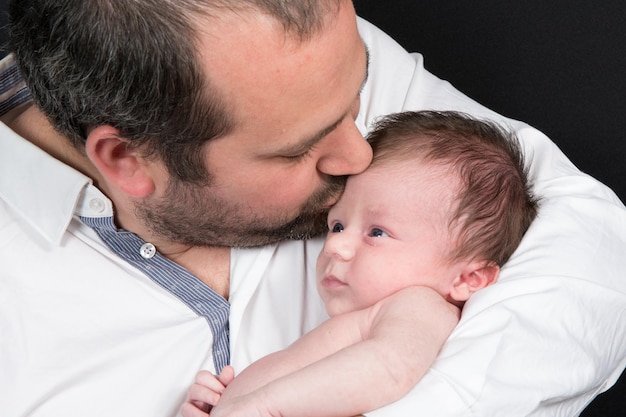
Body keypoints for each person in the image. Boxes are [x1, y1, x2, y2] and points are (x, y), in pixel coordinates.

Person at [0, 1, 625, 416]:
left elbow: (595, 254)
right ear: (127, 160)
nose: (359, 154)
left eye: (356, 101)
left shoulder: (301, 63)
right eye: (298, 151)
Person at [180, 110, 539, 417]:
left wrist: (264, 406)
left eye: (377, 232)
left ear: (468, 278)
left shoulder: (421, 305)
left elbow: (389, 367)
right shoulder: (371, 316)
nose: (335, 244)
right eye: (336, 225)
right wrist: (225, 401)